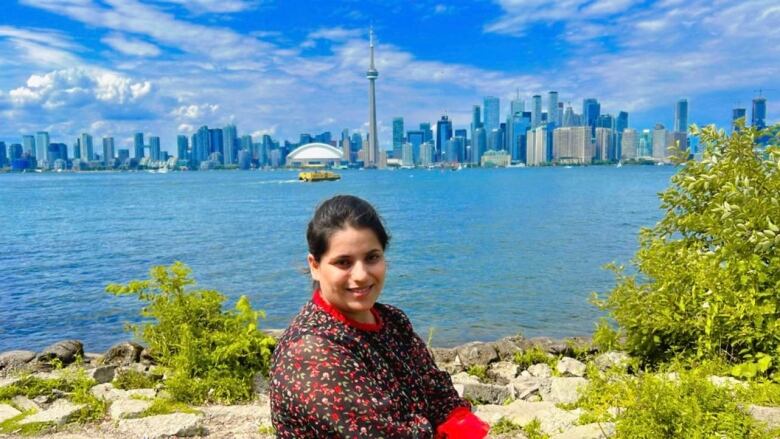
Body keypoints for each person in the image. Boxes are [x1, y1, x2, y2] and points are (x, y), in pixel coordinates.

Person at [270, 195, 489, 438]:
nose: (361, 275)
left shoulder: (392, 320)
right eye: (343, 262)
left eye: (372, 257)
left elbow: (438, 390)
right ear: (315, 265)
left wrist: (458, 424)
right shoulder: (309, 353)